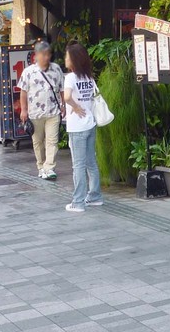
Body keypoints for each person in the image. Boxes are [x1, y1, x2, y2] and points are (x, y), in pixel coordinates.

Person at [62, 43, 102, 212]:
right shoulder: (89, 78)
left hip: (77, 127)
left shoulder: (70, 78)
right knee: (91, 162)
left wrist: (75, 106)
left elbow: (66, 97)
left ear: (74, 60)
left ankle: (78, 202)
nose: (65, 59)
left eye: (67, 56)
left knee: (78, 165)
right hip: (90, 124)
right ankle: (95, 197)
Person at [18, 41, 64, 180]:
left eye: (48, 54)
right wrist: (24, 110)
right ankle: (41, 166)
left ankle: (49, 167)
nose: (46, 57)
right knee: (37, 142)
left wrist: (63, 105)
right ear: (36, 55)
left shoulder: (56, 69)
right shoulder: (28, 72)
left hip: (53, 111)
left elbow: (62, 88)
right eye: (43, 54)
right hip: (35, 113)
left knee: (52, 141)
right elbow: (23, 92)